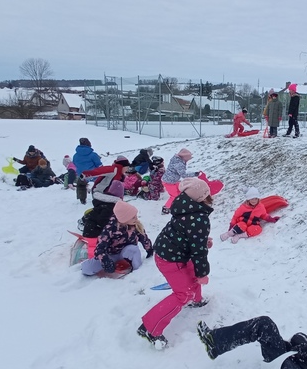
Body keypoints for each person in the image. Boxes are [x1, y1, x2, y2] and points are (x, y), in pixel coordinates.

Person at [137, 178, 214, 348]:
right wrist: (203, 273)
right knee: (183, 293)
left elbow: (187, 233)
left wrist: (200, 240)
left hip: (171, 252)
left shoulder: (185, 206)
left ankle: (196, 300)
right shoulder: (198, 217)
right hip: (171, 259)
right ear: (202, 197)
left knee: (192, 270)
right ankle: (149, 328)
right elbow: (198, 252)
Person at [81, 201, 153, 276]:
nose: (136, 218)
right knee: (88, 269)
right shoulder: (110, 228)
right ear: (124, 219)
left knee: (133, 249)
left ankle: (137, 271)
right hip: (111, 255)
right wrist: (105, 260)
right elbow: (100, 247)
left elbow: (143, 237)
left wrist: (149, 249)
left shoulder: (135, 225)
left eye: (135, 215)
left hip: (126, 254)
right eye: (133, 217)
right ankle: (84, 266)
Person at [161, 148, 199, 214]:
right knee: (174, 196)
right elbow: (184, 175)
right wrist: (195, 174)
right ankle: (165, 208)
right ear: (185, 158)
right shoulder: (179, 164)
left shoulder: (176, 159)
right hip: (169, 182)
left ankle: (180, 203)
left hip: (172, 180)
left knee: (180, 191)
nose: (188, 160)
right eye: (188, 159)